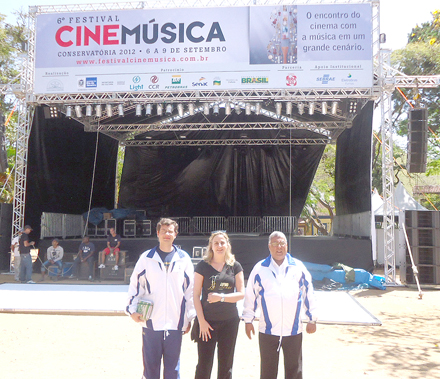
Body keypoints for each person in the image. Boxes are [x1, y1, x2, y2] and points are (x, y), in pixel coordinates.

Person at [126, 218, 195, 379]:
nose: (167, 234)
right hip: (151, 322)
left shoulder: (184, 259)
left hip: (175, 322)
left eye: (170, 231)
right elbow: (135, 286)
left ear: (175, 234)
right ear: (157, 233)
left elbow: (190, 291)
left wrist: (190, 317)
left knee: (173, 369)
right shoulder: (146, 258)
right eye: (163, 231)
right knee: (151, 368)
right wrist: (132, 310)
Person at [242, 231, 318, 379]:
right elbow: (250, 295)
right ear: (269, 247)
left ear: (287, 246)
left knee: (295, 372)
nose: (279, 247)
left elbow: (309, 293)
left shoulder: (298, 267)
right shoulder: (260, 269)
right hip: (268, 331)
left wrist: (312, 319)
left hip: (293, 330)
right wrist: (248, 320)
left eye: (282, 243)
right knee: (268, 373)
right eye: (275, 244)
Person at [193, 231, 245, 379]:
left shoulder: (235, 266)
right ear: (211, 246)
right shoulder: (202, 266)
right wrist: (201, 321)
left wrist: (221, 297)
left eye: (222, 242)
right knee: (204, 364)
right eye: (216, 243)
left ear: (227, 245)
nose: (219, 245)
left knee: (226, 365)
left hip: (229, 322)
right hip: (207, 323)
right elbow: (196, 295)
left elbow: (241, 294)